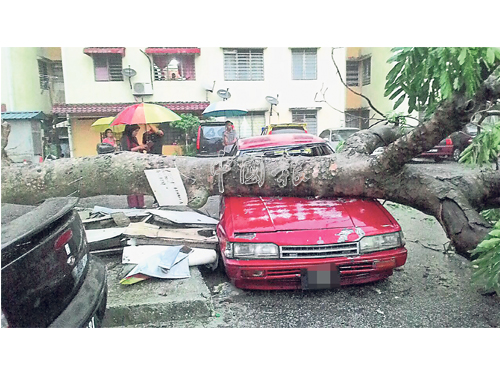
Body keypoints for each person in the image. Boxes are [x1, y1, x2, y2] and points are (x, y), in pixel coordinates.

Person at [121, 125, 148, 208]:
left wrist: (142, 148)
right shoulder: (125, 138)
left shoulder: (134, 139)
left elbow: (136, 148)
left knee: (139, 183)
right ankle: (133, 204)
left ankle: (140, 203)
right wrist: (138, 147)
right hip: (129, 163)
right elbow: (127, 150)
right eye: (135, 131)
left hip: (137, 162)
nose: (136, 133)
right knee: (132, 184)